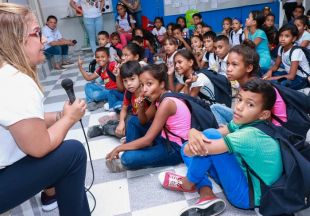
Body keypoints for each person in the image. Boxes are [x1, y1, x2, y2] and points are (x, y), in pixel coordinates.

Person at [0, 3, 90, 215]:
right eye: (37, 33)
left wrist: (59, 115)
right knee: (72, 153)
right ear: (15, 40)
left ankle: (51, 195)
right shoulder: (15, 81)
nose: (44, 40)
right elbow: (40, 147)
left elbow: (24, 121)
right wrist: (68, 119)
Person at [159, 79, 282, 216]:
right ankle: (206, 193)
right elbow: (213, 135)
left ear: (263, 114)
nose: (239, 107)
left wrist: (192, 132)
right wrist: (195, 134)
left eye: (250, 104)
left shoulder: (249, 135)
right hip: (245, 175)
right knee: (198, 145)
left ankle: (190, 183)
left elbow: (194, 148)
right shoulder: (247, 122)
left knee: (200, 145)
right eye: (239, 99)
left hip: (247, 197)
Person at [105, 64, 190, 172]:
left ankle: (134, 152)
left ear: (162, 84)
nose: (144, 89)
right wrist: (140, 107)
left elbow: (147, 139)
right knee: (132, 121)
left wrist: (119, 148)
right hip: (164, 137)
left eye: (149, 84)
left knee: (127, 159)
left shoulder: (167, 103)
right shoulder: (159, 99)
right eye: (142, 85)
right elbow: (143, 121)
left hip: (175, 149)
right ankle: (137, 149)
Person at [264, 24, 309, 90]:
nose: (282, 39)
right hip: (288, 73)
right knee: (263, 70)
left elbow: (291, 76)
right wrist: (270, 71)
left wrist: (272, 78)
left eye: (287, 36)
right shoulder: (281, 48)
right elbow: (276, 66)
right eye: (281, 35)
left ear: (293, 38)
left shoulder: (296, 51)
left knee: (282, 84)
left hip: (301, 78)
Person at [78, 47, 118, 111]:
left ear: (108, 57)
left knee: (96, 95)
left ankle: (103, 101)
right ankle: (91, 103)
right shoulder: (100, 69)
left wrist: (119, 62)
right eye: (97, 57)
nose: (100, 59)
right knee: (88, 85)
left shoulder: (111, 65)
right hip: (106, 89)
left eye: (103, 57)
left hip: (113, 92)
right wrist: (80, 67)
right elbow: (88, 78)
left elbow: (118, 66)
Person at [245, 10, 271, 74]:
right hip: (254, 59)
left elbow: (249, 48)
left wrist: (246, 34)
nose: (246, 19)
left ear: (254, 22)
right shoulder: (249, 33)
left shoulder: (260, 33)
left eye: (248, 18)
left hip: (263, 60)